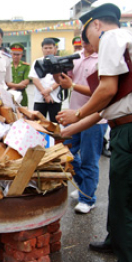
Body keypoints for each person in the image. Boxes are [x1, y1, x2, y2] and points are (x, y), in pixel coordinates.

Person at [58, 3, 132, 262]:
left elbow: (106, 91)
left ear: (96, 25)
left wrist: (76, 112)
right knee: (118, 189)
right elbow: (104, 110)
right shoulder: (122, 44)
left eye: (86, 36)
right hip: (130, 126)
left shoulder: (111, 38)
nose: (87, 44)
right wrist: (67, 131)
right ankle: (116, 241)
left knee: (126, 197)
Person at [54, 39, 107, 214]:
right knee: (66, 153)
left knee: (89, 160)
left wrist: (73, 85)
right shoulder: (76, 58)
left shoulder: (103, 59)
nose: (84, 45)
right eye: (82, 41)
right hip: (74, 116)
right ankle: (86, 185)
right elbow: (64, 81)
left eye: (87, 41)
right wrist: (55, 71)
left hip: (94, 118)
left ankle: (88, 199)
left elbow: (101, 92)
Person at [28, 37, 62, 121]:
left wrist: (49, 90)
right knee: (38, 123)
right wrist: (45, 94)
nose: (48, 50)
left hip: (55, 98)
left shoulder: (59, 61)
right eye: (45, 48)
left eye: (50, 48)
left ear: (55, 49)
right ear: (42, 49)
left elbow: (61, 80)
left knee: (55, 125)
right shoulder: (37, 62)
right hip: (39, 98)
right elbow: (34, 79)